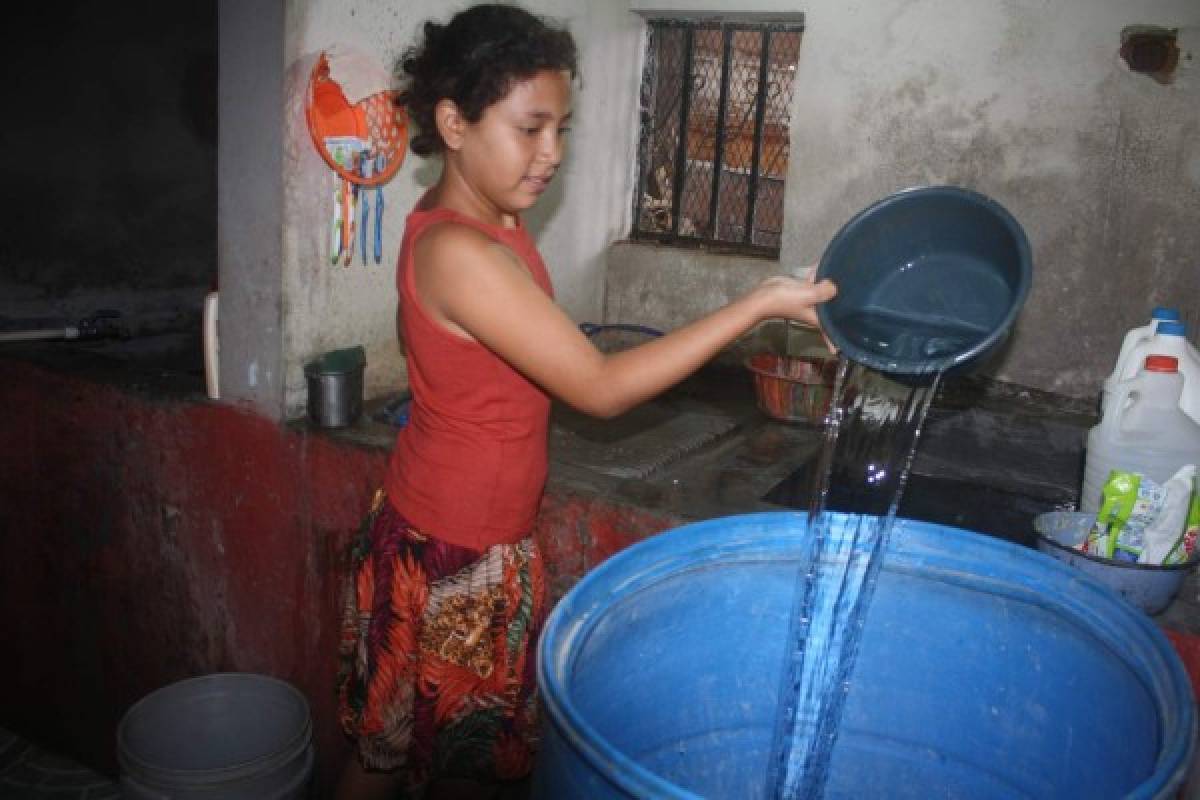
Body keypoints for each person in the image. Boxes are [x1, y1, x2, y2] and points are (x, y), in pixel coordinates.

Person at [335, 5, 836, 798]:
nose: (551, 154)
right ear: (453, 122)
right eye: (530, 128)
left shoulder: (487, 222)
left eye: (561, 130)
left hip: (457, 533)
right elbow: (598, 388)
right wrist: (756, 305)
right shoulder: (461, 252)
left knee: (388, 752)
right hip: (453, 557)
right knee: (432, 768)